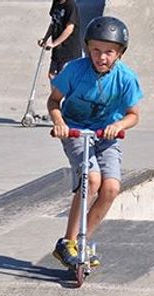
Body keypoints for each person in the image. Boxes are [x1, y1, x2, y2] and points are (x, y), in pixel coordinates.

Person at [47, 16, 143, 268]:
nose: (101, 57)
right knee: (91, 179)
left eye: (109, 52)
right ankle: (67, 241)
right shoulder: (75, 70)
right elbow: (53, 101)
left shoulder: (126, 78)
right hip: (76, 132)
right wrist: (60, 123)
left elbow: (133, 115)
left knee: (110, 188)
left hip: (107, 136)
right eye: (96, 50)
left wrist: (118, 125)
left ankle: (82, 240)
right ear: (87, 48)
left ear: (120, 53)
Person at [38, 0, 82, 81]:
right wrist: (45, 39)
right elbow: (53, 23)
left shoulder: (70, 5)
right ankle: (55, 93)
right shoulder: (56, 2)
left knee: (64, 79)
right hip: (58, 51)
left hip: (69, 51)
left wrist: (54, 44)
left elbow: (69, 28)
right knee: (52, 76)